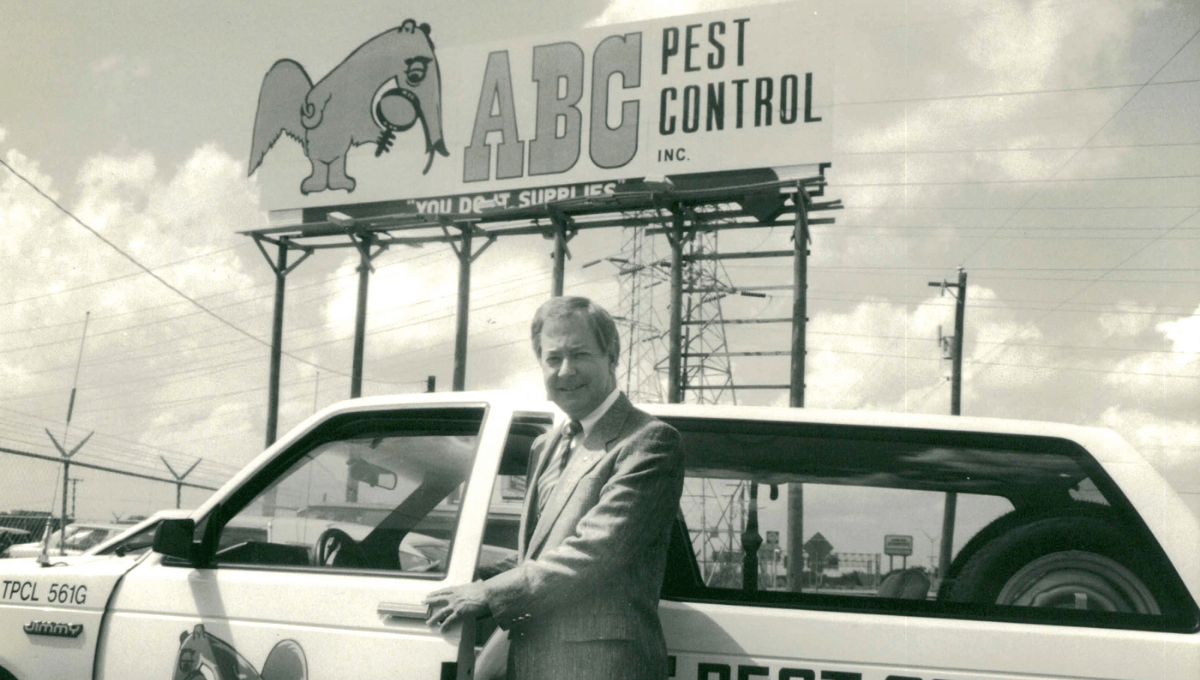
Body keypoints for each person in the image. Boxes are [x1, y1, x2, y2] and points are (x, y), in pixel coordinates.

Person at [425, 296, 685, 680]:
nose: (565, 371)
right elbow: (537, 554)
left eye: (579, 354)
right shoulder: (544, 446)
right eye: (552, 358)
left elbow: (593, 554)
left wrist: (487, 594)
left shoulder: (649, 441)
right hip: (533, 661)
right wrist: (466, 575)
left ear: (612, 356)